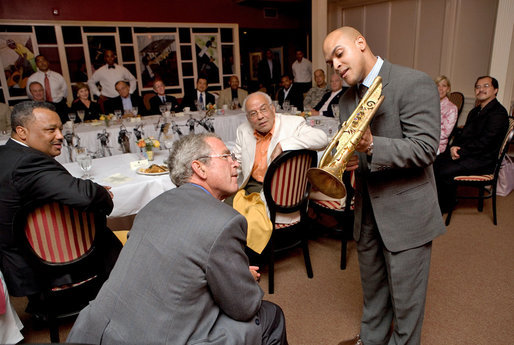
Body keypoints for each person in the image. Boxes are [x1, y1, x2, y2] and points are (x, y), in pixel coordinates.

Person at [67, 133, 288, 345]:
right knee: (271, 314)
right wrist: (243, 278)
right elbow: (244, 306)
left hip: (95, 331)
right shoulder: (225, 220)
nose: (235, 163)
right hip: (160, 339)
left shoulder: (151, 206)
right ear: (199, 167)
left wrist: (234, 273)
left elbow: (175, 264)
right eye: (226, 156)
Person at [323, 27, 445, 345]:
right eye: (329, 61)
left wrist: (373, 145)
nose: (335, 65)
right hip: (367, 213)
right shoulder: (347, 98)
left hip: (407, 214)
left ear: (361, 43)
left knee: (406, 303)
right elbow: (360, 153)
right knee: (374, 293)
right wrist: (351, 160)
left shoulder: (412, 82)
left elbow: (425, 149)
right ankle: (372, 338)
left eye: (339, 54)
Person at [0, 101, 121, 300]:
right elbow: (86, 197)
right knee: (105, 232)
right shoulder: (28, 161)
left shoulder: (6, 154)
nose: (59, 136)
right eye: (51, 130)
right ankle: (119, 297)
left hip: (17, 255)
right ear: (22, 132)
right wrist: (102, 193)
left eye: (60, 129)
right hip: (42, 262)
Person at [434, 76, 509, 212]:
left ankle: (444, 206)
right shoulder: (475, 111)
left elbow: (485, 143)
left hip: (483, 160)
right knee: (434, 162)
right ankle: (444, 200)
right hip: (470, 154)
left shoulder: (499, 113)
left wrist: (460, 152)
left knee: (443, 170)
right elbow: (463, 134)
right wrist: (453, 147)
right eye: (478, 87)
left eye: (485, 86)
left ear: (495, 90)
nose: (480, 90)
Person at [233, 91, 328, 199]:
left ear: (272, 109)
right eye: (253, 113)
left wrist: (283, 145)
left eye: (263, 109)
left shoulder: (293, 123)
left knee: (242, 213)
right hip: (251, 185)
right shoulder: (243, 130)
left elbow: (321, 138)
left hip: (281, 189)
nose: (260, 116)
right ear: (248, 118)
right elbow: (236, 159)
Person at [26, 55, 69, 122]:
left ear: (48, 62)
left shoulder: (58, 76)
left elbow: (65, 92)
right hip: (42, 108)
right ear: (36, 65)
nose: (42, 63)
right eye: (39, 61)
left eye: (44, 60)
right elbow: (30, 94)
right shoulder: (32, 79)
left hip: (59, 107)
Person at [435, 75, 458, 154]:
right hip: (422, 139)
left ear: (448, 89)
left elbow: (445, 133)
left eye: (444, 86)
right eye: (437, 85)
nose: (440, 89)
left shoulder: (452, 108)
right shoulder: (428, 105)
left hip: (438, 145)